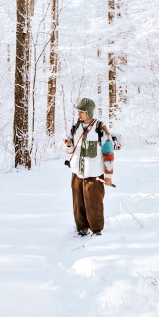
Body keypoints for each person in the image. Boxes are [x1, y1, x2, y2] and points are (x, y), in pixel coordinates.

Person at [63, 97, 114, 236]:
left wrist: (108, 176)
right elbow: (70, 150)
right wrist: (68, 145)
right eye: (78, 112)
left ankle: (97, 231)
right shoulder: (75, 127)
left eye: (81, 112)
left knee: (94, 204)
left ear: (88, 113)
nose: (78, 114)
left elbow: (109, 154)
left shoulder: (100, 129)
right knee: (78, 204)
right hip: (76, 173)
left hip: (94, 175)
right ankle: (81, 228)